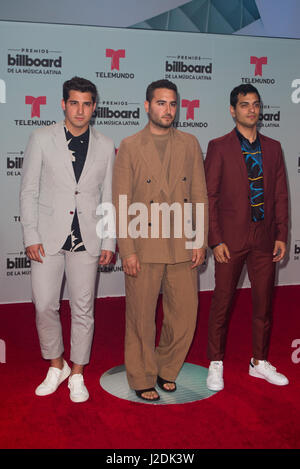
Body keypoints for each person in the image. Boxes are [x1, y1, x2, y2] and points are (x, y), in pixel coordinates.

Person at [20, 76, 115, 402]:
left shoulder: (105, 144)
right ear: (63, 104)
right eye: (74, 102)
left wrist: (109, 241)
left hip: (87, 239)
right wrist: (30, 234)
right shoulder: (41, 138)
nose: (80, 110)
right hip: (47, 239)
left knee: (83, 308)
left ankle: (77, 373)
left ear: (94, 107)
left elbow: (109, 195)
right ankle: (55, 364)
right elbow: (29, 191)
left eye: (87, 104)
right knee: (45, 304)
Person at [113, 79, 208, 401]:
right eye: (161, 103)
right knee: (140, 317)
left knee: (184, 315)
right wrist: (127, 249)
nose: (167, 109)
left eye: (172, 104)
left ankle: (167, 368)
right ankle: (141, 375)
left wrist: (199, 240)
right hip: (143, 242)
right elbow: (121, 201)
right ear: (147, 106)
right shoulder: (129, 145)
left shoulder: (190, 143)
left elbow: (199, 195)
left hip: (182, 242)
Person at [204, 84, 289, 391]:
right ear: (233, 110)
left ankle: (259, 361)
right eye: (244, 105)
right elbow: (209, 196)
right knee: (222, 302)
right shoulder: (219, 146)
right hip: (230, 239)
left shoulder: (274, 147)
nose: (251, 109)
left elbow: (280, 194)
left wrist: (281, 234)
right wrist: (215, 239)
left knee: (263, 303)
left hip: (264, 239)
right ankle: (215, 362)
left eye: (255, 104)